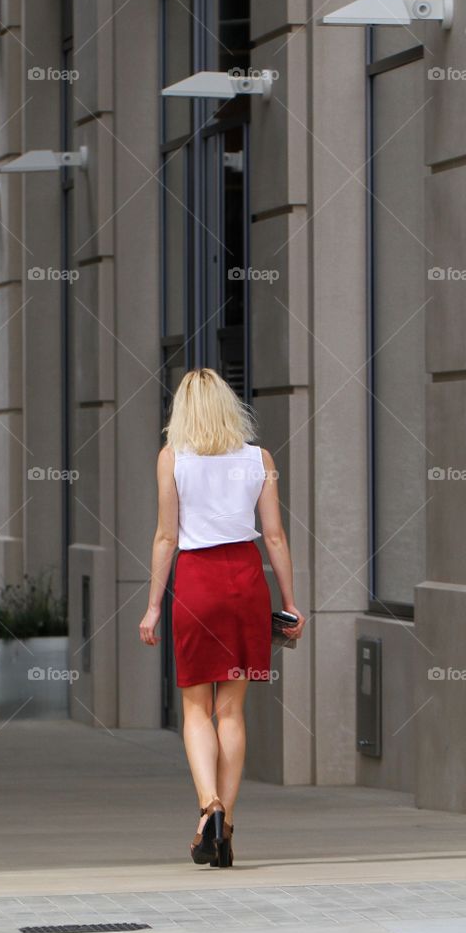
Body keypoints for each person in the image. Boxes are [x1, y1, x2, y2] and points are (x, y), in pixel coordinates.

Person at [138, 367, 304, 867]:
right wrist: (290, 603)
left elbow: (167, 536)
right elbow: (274, 536)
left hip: (196, 584)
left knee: (195, 708)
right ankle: (225, 824)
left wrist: (151, 607)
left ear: (183, 410)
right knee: (231, 711)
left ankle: (207, 804)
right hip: (246, 582)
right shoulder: (260, 459)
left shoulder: (172, 459)